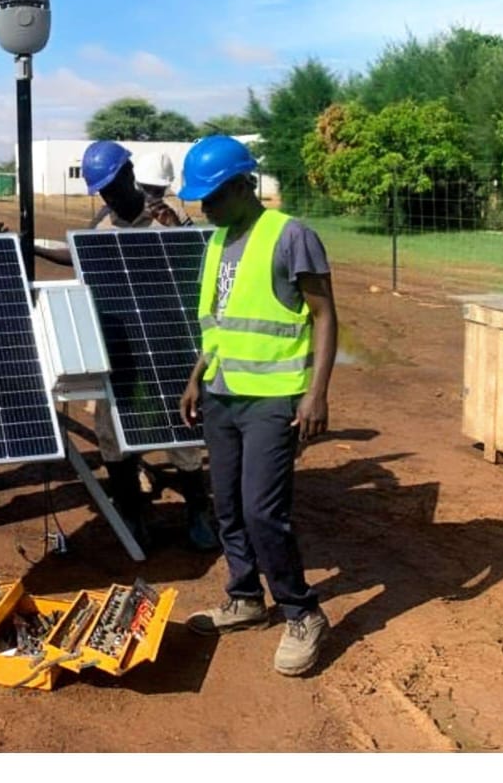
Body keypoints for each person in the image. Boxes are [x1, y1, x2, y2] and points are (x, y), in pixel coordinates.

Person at [176, 135, 337, 677]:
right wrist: (198, 375)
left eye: (214, 195)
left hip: (272, 400)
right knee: (226, 505)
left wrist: (316, 393)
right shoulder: (218, 240)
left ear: (244, 184)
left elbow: (323, 315)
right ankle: (244, 598)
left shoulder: (291, 236)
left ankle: (302, 611)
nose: (205, 207)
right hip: (221, 393)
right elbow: (219, 321)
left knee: (262, 511)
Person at [35, 140, 217, 552]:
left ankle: (197, 513)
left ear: (129, 174)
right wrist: (32, 245)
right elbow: (78, 254)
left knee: (182, 434)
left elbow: (200, 261)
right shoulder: (103, 224)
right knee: (111, 433)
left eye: (112, 184)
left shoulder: (168, 215)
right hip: (119, 343)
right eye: (101, 189)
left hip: (169, 339)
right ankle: (132, 514)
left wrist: (176, 231)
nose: (108, 194)